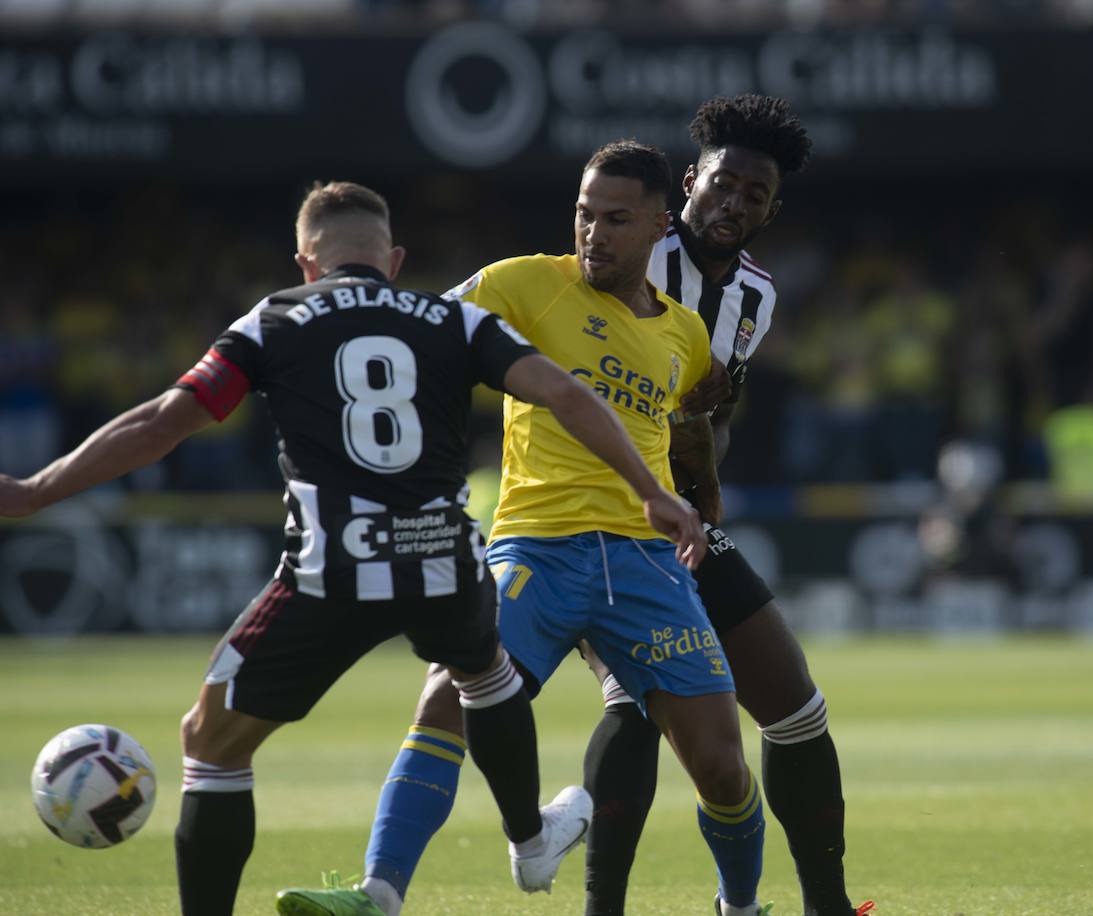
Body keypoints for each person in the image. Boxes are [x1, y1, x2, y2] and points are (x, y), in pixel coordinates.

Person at [0, 180, 707, 916]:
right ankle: (531, 840)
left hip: (332, 567)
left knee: (209, 742)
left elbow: (166, 421)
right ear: (393, 260)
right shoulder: (448, 318)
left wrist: (37, 489)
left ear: (306, 262)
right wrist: (653, 491)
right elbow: (566, 394)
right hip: (443, 561)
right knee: (485, 674)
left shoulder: (277, 316)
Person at [278, 141, 771, 916]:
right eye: (583, 214)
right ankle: (377, 893)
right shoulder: (523, 284)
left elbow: (696, 413)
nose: (593, 233)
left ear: (655, 227)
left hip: (646, 562)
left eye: (614, 219)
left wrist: (704, 497)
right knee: (446, 697)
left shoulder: (682, 332)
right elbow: (421, 327)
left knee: (721, 766)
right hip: (536, 548)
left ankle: (739, 908)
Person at [579, 94, 870, 916]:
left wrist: (705, 502)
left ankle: (828, 905)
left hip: (681, 526)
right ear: (688, 184)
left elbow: (711, 412)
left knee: (796, 710)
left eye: (754, 194)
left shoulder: (755, 298)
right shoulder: (630, 251)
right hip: (592, 522)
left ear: (774, 209)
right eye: (722, 184)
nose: (734, 203)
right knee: (637, 706)